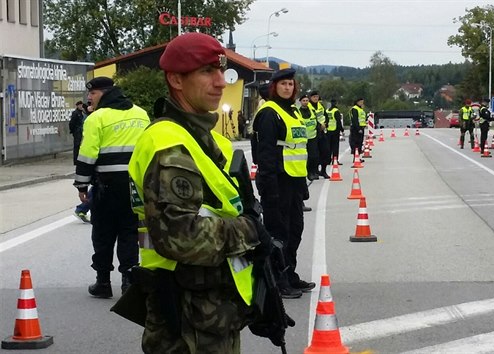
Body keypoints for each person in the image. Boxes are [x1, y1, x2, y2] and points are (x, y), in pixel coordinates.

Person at [128, 32, 273, 352]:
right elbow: (182, 236)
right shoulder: (169, 143)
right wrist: (250, 230)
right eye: (207, 72)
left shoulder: (206, 141)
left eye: (221, 71)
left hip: (211, 312)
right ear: (176, 80)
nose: (221, 82)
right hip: (185, 317)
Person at [73, 76, 149, 298]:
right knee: (129, 232)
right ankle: (128, 281)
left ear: (104, 93)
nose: (89, 98)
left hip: (106, 186)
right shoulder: (141, 114)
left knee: (103, 233)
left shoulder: (97, 118)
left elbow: (87, 154)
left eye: (93, 94)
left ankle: (103, 282)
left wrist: (81, 185)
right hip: (135, 186)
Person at [252, 68, 316, 299]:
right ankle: (277, 281)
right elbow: (265, 152)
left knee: (295, 230)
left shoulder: (294, 112)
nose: (288, 88)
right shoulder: (270, 113)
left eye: (291, 84)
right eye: (283, 84)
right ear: (274, 87)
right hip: (277, 181)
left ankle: (290, 274)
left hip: (295, 181)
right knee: (279, 234)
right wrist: (269, 188)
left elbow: (300, 147)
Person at [73, 102, 93, 223]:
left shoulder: (89, 115)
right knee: (96, 190)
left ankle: (82, 209)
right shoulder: (90, 117)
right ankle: (82, 209)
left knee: (96, 189)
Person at [308, 91, 330, 179]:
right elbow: (310, 119)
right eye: (314, 97)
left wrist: (325, 123)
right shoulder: (308, 107)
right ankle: (313, 171)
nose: (316, 98)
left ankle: (323, 170)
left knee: (326, 151)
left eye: (317, 97)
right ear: (310, 98)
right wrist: (319, 126)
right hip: (313, 132)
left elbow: (326, 116)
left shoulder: (320, 106)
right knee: (314, 154)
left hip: (323, 131)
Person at [298, 94, 319, 180]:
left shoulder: (312, 111)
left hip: (313, 137)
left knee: (313, 156)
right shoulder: (298, 112)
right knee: (305, 157)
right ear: (300, 102)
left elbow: (316, 121)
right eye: (304, 101)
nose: (305, 102)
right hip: (303, 139)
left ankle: (313, 172)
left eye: (307, 101)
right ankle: (307, 173)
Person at [326, 99, 344, 165]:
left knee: (329, 147)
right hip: (335, 130)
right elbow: (338, 121)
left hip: (328, 131)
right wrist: (342, 129)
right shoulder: (336, 111)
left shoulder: (327, 111)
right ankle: (335, 160)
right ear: (336, 103)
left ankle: (328, 160)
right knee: (335, 147)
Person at [69, 100, 86, 165]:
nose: (81, 106)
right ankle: (76, 160)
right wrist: (73, 131)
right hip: (77, 131)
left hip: (82, 131)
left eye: (82, 105)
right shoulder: (75, 113)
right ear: (77, 106)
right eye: (80, 105)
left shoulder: (82, 113)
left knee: (81, 145)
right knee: (77, 145)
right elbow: (72, 123)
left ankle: (80, 159)